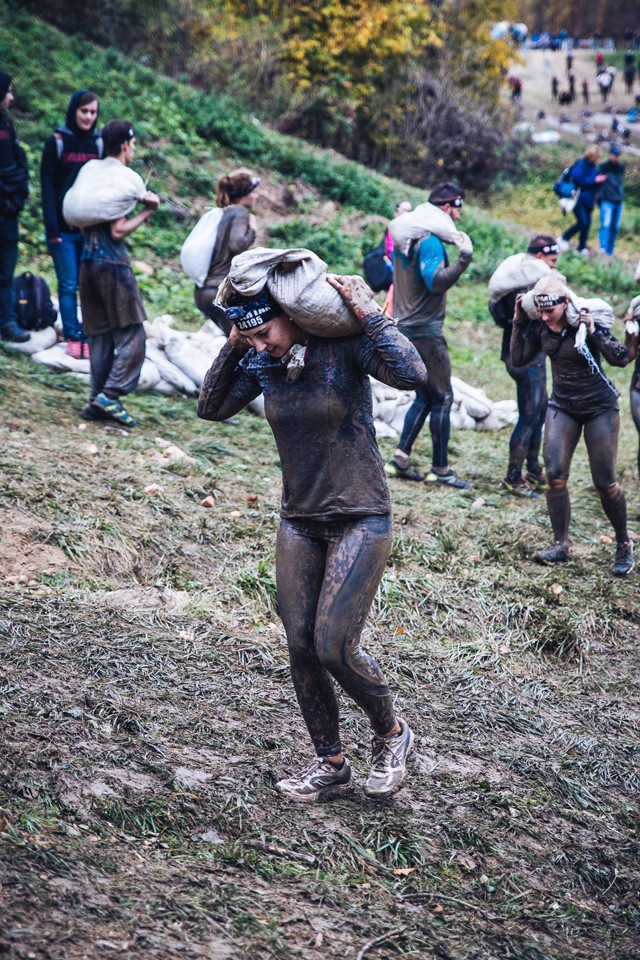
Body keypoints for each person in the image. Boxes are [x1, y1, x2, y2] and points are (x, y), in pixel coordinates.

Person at [197, 275, 427, 801]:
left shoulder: (342, 348)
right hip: (299, 518)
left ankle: (392, 734)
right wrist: (237, 343)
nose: (261, 345)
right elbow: (210, 406)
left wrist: (368, 312)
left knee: (333, 645)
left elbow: (412, 374)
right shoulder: (264, 363)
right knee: (300, 645)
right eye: (251, 339)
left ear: (295, 316)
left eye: (265, 334)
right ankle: (331, 763)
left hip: (360, 515)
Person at [511, 275, 633, 576]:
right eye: (539, 311)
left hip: (599, 409)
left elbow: (620, 358)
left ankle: (623, 542)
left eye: (549, 311)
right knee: (554, 476)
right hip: (562, 406)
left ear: (565, 304)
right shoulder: (540, 325)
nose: (544, 316)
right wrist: (518, 321)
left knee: (605, 483)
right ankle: (561, 545)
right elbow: (518, 357)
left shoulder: (583, 322)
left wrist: (593, 330)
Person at [385, 181, 474, 488]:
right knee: (443, 397)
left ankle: (399, 460)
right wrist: (463, 260)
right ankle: (442, 470)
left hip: (406, 325)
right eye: (459, 206)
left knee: (424, 395)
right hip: (425, 330)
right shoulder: (430, 241)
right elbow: (435, 282)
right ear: (449, 207)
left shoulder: (408, 237)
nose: (461, 213)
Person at [78, 120, 159, 428]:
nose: (134, 149)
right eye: (134, 143)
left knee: (99, 334)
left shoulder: (92, 175)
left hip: (86, 260)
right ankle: (110, 395)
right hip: (112, 263)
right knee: (132, 333)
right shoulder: (123, 180)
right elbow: (118, 229)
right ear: (125, 144)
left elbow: (83, 222)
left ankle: (95, 400)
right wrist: (147, 210)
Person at [489, 236, 561, 498]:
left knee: (539, 413)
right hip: (527, 361)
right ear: (540, 257)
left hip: (521, 357)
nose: (554, 268)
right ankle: (512, 478)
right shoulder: (531, 286)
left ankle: (532, 469)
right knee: (530, 417)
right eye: (552, 261)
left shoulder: (516, 284)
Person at [40, 90, 102, 358]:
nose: (88, 117)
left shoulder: (99, 145)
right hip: (63, 232)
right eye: (84, 111)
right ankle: (72, 336)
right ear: (73, 111)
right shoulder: (57, 142)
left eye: (93, 112)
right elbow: (47, 187)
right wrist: (52, 229)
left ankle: (88, 336)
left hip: (89, 232)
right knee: (67, 285)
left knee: (88, 285)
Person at [194, 169, 258, 334]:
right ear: (245, 193)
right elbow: (236, 245)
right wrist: (252, 229)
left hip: (203, 292)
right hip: (219, 293)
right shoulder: (240, 212)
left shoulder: (224, 213)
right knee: (239, 345)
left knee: (231, 344)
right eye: (254, 191)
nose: (257, 196)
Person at [0, 71, 29, 344]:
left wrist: (17, 196)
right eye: (7, 91)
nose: (11, 96)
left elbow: (20, 163)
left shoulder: (7, 125)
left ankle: (7, 322)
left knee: (6, 272)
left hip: (8, 212)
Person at [556, 147, 606, 256]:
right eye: (596, 157)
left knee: (587, 224)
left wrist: (599, 182)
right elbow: (578, 179)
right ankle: (563, 238)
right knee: (582, 221)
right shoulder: (581, 163)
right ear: (591, 155)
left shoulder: (594, 167)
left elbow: (593, 183)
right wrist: (594, 180)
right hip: (578, 198)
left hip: (589, 200)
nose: (597, 159)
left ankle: (581, 246)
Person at [598, 143, 625, 256]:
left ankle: (610, 249)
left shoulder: (621, 168)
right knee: (606, 224)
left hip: (618, 200)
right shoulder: (603, 167)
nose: (616, 157)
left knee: (615, 226)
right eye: (614, 154)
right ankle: (603, 248)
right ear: (610, 154)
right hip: (607, 200)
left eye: (617, 155)